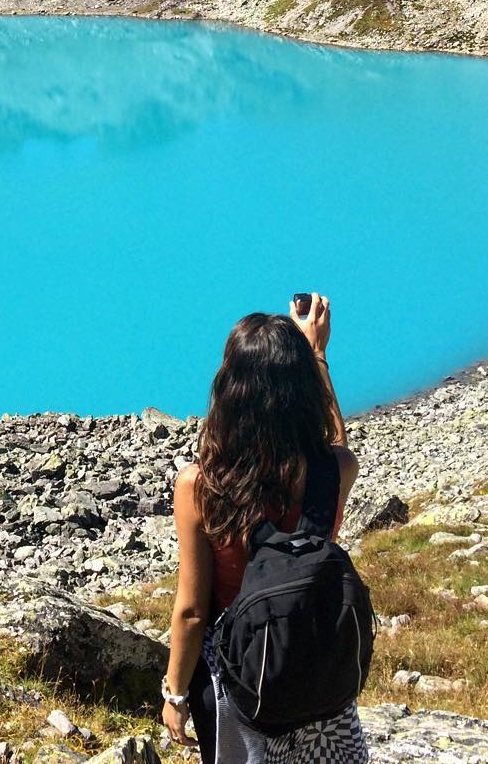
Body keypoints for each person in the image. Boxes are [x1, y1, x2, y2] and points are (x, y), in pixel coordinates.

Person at [161, 293, 367, 764]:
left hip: (244, 677)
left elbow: (192, 611)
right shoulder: (335, 471)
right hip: (315, 663)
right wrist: (316, 355)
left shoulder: (200, 487)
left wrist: (174, 695)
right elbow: (335, 440)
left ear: (230, 390)